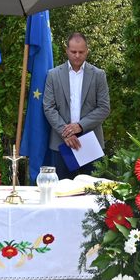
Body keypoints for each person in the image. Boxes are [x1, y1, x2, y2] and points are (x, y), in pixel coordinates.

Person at [42, 32, 110, 179]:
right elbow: (48, 107)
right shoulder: (53, 75)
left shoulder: (98, 75)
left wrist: (79, 126)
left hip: (90, 142)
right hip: (62, 143)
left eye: (81, 52)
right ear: (66, 50)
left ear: (87, 51)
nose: (77, 55)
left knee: (93, 193)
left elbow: (104, 108)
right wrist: (65, 132)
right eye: (73, 51)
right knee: (63, 193)